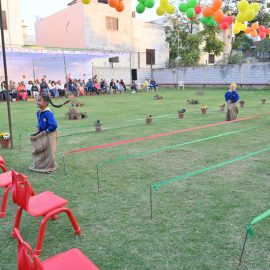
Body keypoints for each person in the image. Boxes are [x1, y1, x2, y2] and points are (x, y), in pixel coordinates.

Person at [29, 94, 70, 173]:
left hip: (50, 134)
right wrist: (39, 128)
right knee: (41, 149)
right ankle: (41, 164)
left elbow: (54, 125)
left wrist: (46, 131)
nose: (37, 102)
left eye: (39, 100)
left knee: (49, 151)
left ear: (46, 103)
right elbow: (40, 122)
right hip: (42, 133)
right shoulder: (38, 112)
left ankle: (49, 165)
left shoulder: (48, 113)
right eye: (36, 100)